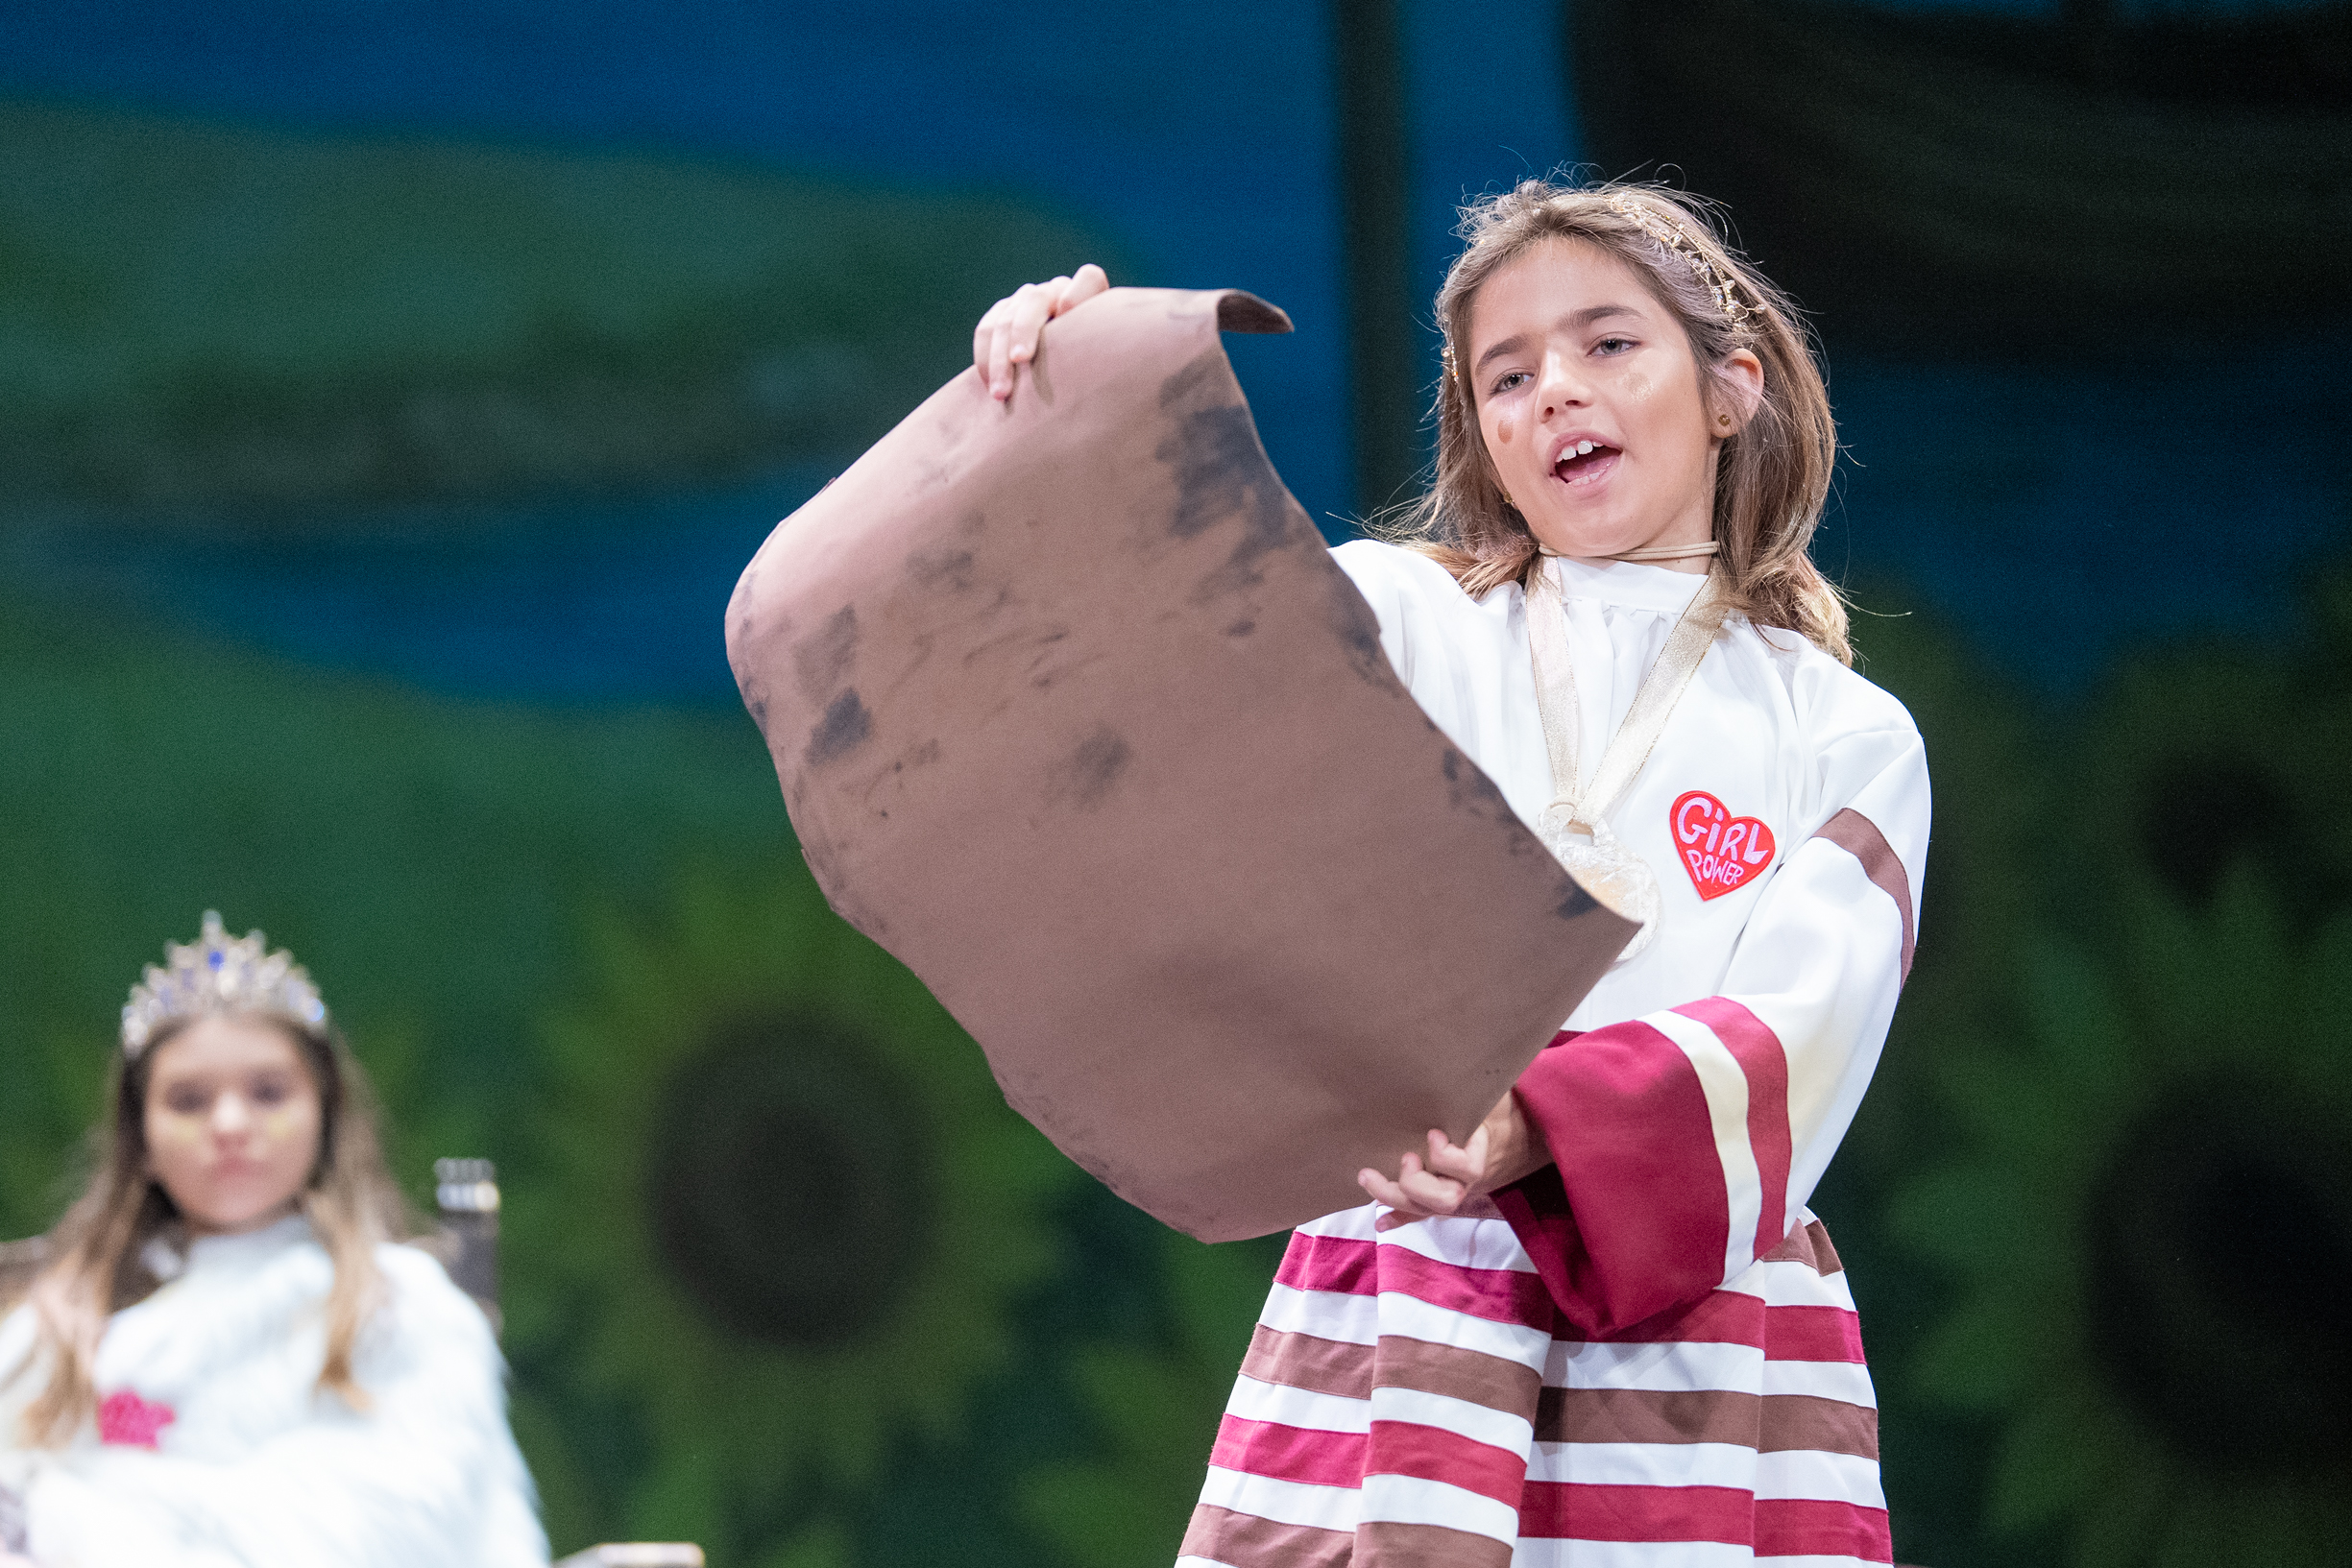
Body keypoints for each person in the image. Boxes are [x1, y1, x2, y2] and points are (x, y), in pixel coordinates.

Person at [975, 181, 1928, 1566]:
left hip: (1688, 1339)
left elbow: (1794, 1030)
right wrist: (1068, 403)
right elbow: (1161, 634)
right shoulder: (1407, 620)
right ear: (1480, 429)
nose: (1554, 390)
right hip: (1408, 1287)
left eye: (1607, 345)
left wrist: (1534, 1124)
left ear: (1731, 390)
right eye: (1507, 372)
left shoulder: (1843, 736)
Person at [0, 913, 548, 1568]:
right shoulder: (57, 1326)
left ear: (326, 1112)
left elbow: (395, 1533)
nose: (230, 1123)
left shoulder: (402, 1308)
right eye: (188, 1099)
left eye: (268, 1091)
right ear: (139, 1136)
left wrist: (80, 1519)